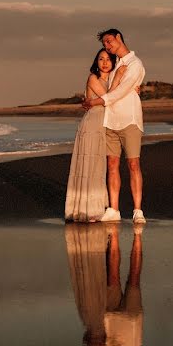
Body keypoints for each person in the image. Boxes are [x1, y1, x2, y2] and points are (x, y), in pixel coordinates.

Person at [81, 28, 147, 224]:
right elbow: (108, 86)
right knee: (112, 165)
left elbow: (120, 92)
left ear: (119, 38)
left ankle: (137, 210)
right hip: (110, 120)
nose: (107, 46)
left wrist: (95, 102)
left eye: (109, 41)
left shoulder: (135, 64)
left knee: (133, 164)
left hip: (130, 120)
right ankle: (114, 209)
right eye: (104, 44)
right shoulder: (114, 63)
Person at [65, 49, 117, 222]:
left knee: (99, 166)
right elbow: (109, 98)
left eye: (108, 59)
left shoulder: (113, 80)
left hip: (106, 126)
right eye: (101, 59)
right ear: (96, 62)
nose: (104, 62)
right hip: (92, 124)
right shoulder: (93, 78)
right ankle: (85, 209)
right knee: (89, 165)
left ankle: (97, 206)